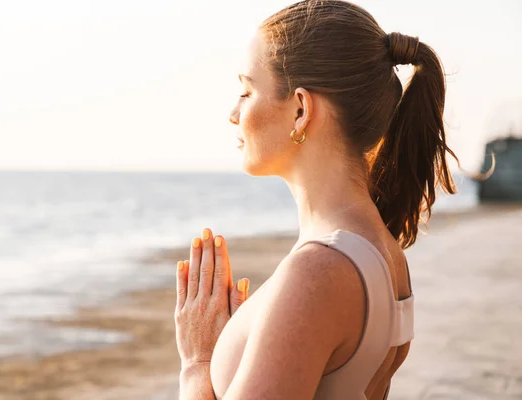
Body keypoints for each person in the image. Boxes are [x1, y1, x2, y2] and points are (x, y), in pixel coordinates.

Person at [174, 1, 459, 398]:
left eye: (246, 90)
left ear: (300, 110)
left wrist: (197, 363)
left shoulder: (318, 271)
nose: (233, 112)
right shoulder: (384, 256)